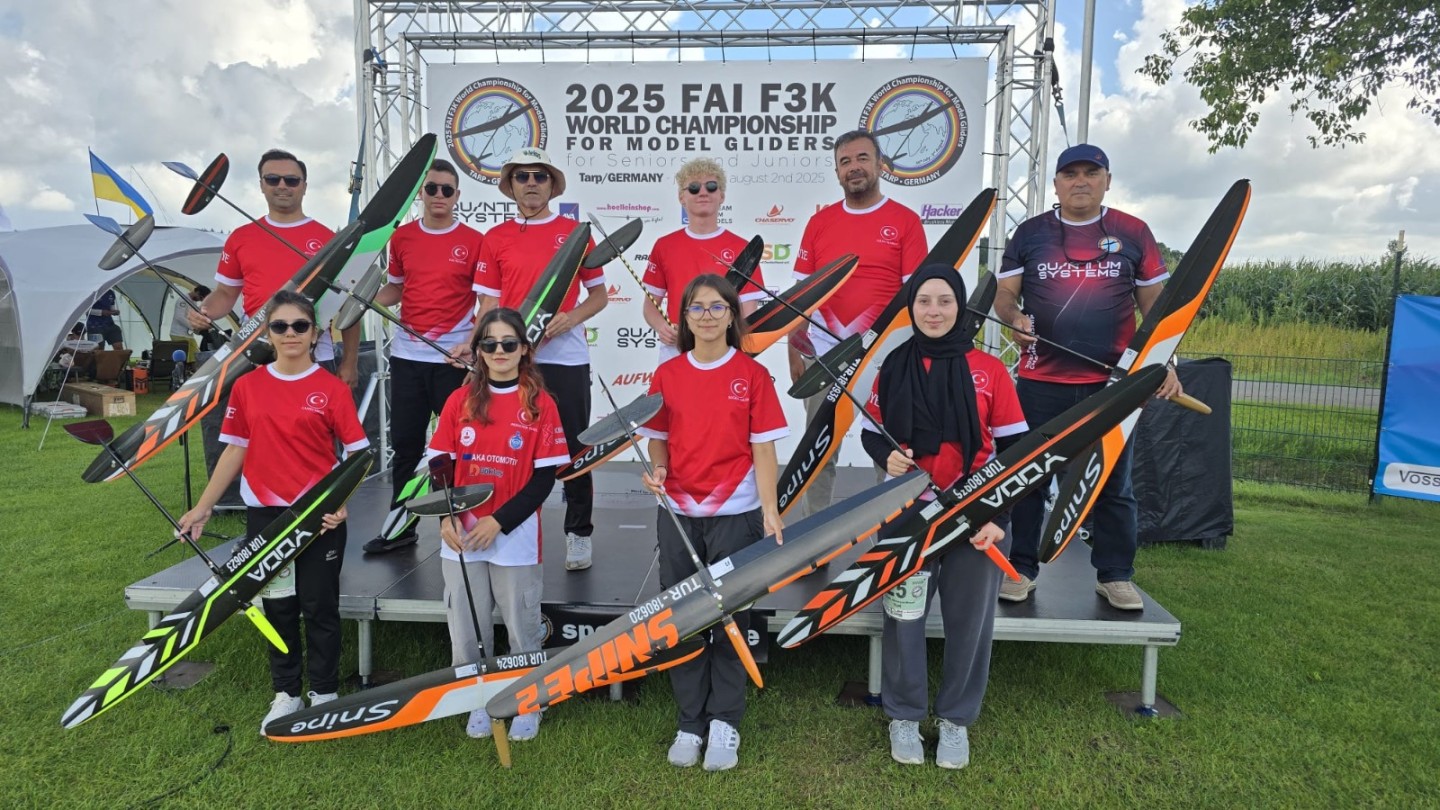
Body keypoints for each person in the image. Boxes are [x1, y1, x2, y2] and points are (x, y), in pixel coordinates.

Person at [993, 143, 1183, 610]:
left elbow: (1156, 306)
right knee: (1029, 478)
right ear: (1056, 183)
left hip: (1113, 385)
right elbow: (1003, 294)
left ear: (1107, 181)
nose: (1080, 181)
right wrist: (1014, 318)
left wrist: (1168, 361)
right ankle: (1021, 569)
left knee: (1113, 482)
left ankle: (1115, 576)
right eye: (1070, 174)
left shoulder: (1133, 231)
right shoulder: (1031, 232)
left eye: (1091, 173)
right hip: (1040, 383)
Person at [176, 290, 369, 734]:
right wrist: (203, 507)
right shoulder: (248, 386)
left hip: (318, 518)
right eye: (280, 326)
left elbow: (359, 454)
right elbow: (234, 451)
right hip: (267, 517)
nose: (290, 334)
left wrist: (340, 503)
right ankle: (286, 693)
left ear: (315, 333)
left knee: (320, 607)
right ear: (267, 333)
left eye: (300, 326)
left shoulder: (331, 388)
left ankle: (324, 694)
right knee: (278, 608)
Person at [859, 264, 1028, 768]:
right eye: (924, 301)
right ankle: (904, 715)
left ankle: (956, 719)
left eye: (944, 301)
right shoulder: (894, 365)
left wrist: (999, 516)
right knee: (903, 618)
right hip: (909, 516)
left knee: (970, 623)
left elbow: (1018, 452)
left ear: (960, 306)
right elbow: (872, 432)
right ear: (911, 307)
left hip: (977, 520)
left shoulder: (989, 369)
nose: (933, 311)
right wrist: (886, 456)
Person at [638, 274, 787, 772]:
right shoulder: (668, 374)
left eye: (717, 307)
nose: (706, 316)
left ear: (731, 315)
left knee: (730, 616)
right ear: (684, 318)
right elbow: (658, 438)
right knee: (682, 618)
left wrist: (770, 509)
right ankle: (689, 721)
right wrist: (659, 471)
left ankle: (724, 720)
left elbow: (763, 448)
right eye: (697, 308)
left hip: (735, 512)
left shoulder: (752, 374)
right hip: (679, 513)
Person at [428, 307, 567, 742]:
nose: (499, 351)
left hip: (514, 534)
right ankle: (477, 698)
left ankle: (528, 699)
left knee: (521, 626)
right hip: (462, 535)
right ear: (479, 350)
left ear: (524, 349)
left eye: (509, 343)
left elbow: (543, 479)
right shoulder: (459, 400)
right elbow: (440, 464)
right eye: (489, 343)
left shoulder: (540, 403)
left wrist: (499, 522)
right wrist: (446, 515)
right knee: (466, 628)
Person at [473, 146, 607, 572]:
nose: (531, 183)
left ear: (552, 184)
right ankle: (502, 525)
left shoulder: (576, 233)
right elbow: (488, 304)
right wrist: (478, 349)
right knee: (506, 445)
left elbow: (599, 296)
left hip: (566, 358)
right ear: (510, 185)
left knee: (575, 446)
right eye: (522, 176)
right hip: (512, 360)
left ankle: (579, 533)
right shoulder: (495, 238)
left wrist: (572, 317)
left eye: (539, 176)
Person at [787, 129, 928, 517]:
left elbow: (916, 298)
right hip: (825, 358)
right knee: (818, 453)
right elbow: (801, 296)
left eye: (862, 158)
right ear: (837, 172)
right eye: (845, 161)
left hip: (887, 358)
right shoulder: (820, 223)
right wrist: (794, 348)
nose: (854, 167)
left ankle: (894, 528)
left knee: (893, 451)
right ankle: (814, 535)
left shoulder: (905, 221)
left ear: (880, 164)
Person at [363, 159, 486, 554]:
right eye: (431, 188)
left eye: (446, 190)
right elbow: (396, 289)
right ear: (421, 192)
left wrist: (472, 346)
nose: (438, 196)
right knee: (406, 446)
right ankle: (400, 528)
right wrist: (362, 298)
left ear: (457, 196)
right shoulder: (402, 238)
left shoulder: (474, 240)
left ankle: (466, 524)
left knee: (462, 446)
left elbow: (487, 301)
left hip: (453, 360)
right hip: (407, 357)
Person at [188, 149, 360, 387]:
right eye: (272, 179)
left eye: (291, 180)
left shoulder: (329, 239)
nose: (282, 186)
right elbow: (225, 293)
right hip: (257, 353)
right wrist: (204, 312)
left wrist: (350, 361)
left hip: (315, 354)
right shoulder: (241, 238)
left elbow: (349, 303)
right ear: (261, 185)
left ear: (304, 186)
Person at [642, 158, 766, 363]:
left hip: (724, 352)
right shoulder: (664, 245)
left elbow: (747, 312)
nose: (702, 192)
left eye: (711, 186)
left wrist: (726, 341)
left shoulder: (743, 248)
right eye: (693, 187)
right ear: (681, 197)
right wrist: (661, 327)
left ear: (721, 196)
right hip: (676, 351)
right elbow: (650, 305)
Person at [169, 285, 210, 359]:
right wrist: (194, 327)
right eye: (200, 298)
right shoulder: (183, 300)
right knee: (193, 357)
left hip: (187, 335)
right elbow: (179, 317)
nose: (199, 300)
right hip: (179, 334)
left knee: (194, 356)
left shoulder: (193, 302)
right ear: (197, 292)